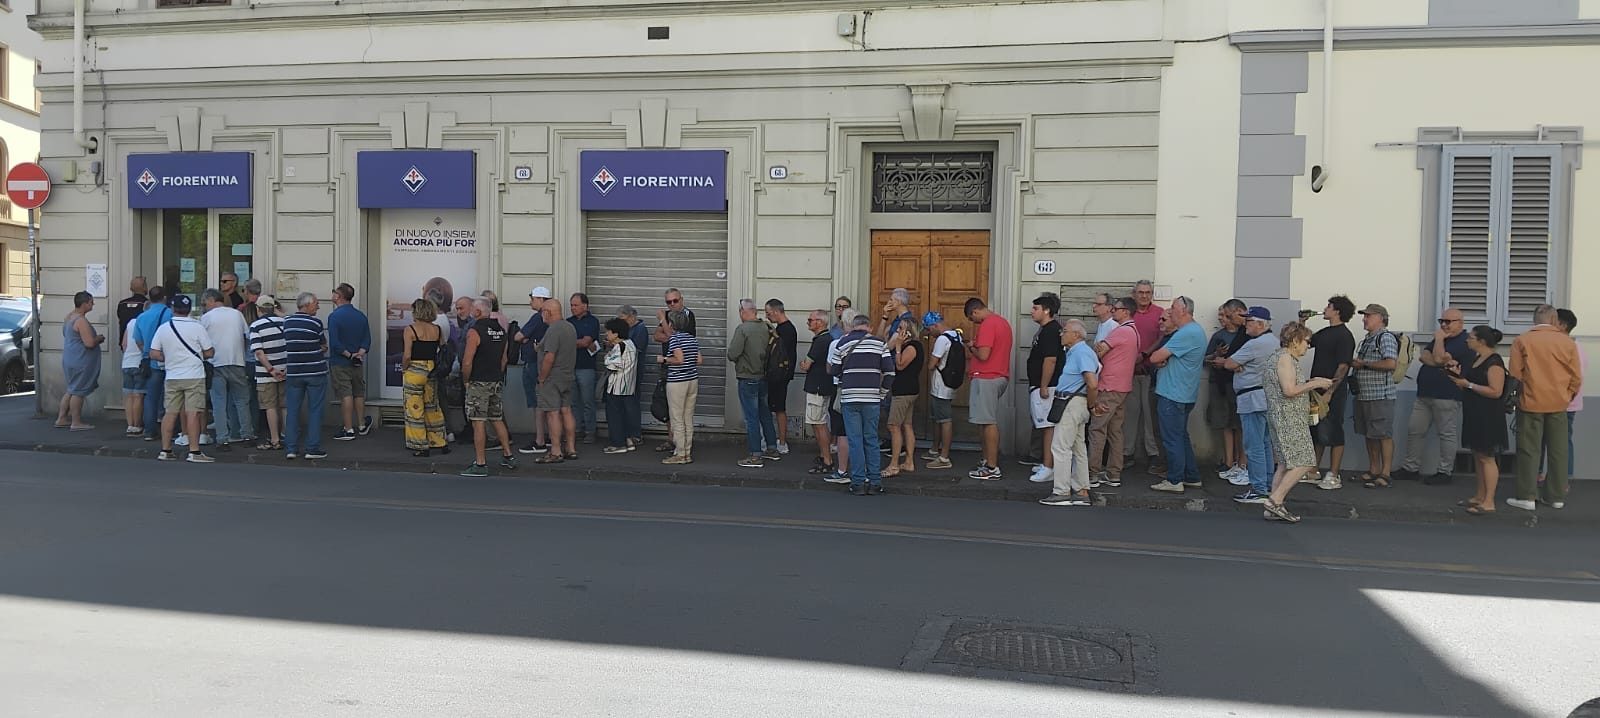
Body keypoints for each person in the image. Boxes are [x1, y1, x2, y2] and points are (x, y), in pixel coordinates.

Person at [1508, 304, 1583, 511]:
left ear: (1535, 320)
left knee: (1529, 450)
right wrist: (1568, 395)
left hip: (1530, 401)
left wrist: (1517, 397)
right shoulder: (1567, 342)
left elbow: (1515, 374)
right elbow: (1576, 376)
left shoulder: (1522, 340)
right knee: (1559, 451)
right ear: (1554, 320)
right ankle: (1556, 496)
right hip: (1559, 402)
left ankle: (1527, 496)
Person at [1259, 321, 1334, 522]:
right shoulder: (1285, 359)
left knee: (1285, 463)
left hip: (1283, 416)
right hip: (1288, 417)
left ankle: (1274, 508)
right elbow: (1289, 390)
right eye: (1306, 341)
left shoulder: (1280, 357)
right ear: (1295, 340)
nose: (1308, 346)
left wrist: (1310, 382)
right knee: (1305, 461)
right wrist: (1315, 384)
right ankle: (1275, 500)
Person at [1397, 307, 1472, 485]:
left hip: (1447, 395)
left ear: (1460, 323)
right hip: (1424, 393)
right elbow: (1424, 356)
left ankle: (1445, 471)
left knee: (1446, 433)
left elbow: (1437, 358)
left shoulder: (1464, 341)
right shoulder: (1443, 338)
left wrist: (1438, 341)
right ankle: (1411, 468)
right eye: (1441, 321)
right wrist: (1439, 361)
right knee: (1415, 430)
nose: (1443, 325)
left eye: (1448, 322)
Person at [829, 312, 895, 495]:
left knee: (855, 441)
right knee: (871, 440)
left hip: (850, 398)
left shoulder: (842, 343)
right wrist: (882, 394)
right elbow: (890, 373)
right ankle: (875, 482)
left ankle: (857, 483)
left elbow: (834, 370)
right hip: (872, 399)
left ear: (852, 326)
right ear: (869, 327)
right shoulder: (880, 343)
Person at [1216, 306, 1277, 504]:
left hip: (1252, 398)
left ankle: (1259, 489)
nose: (1246, 324)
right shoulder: (1274, 341)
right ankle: (1268, 485)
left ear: (1260, 324)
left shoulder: (1255, 344)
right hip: (1267, 397)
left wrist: (1236, 363)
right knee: (1265, 443)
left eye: (1249, 321)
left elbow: (1229, 364)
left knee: (1254, 445)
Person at [1148, 296, 1207, 493]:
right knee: (1180, 436)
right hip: (1183, 393)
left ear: (1183, 310)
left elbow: (1155, 357)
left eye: (1173, 307)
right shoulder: (1194, 331)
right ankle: (1191, 476)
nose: (1169, 310)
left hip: (1173, 393)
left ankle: (1174, 480)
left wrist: (1160, 359)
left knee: (1172, 439)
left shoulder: (1187, 333)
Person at [1039, 319, 1101, 507]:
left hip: (1072, 403)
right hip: (1076, 402)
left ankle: (1061, 491)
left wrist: (1092, 404)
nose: (1061, 334)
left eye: (1064, 331)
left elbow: (1092, 383)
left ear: (1076, 335)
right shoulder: (1078, 352)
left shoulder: (1081, 352)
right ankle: (1081, 491)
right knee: (1077, 448)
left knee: (1060, 447)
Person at [149, 294, 215, 464]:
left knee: (170, 412)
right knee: (193, 413)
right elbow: (209, 352)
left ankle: (165, 450)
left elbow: (153, 353)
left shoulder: (164, 328)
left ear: (172, 309)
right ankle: (194, 451)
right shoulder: (197, 326)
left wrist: (170, 358)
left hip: (172, 375)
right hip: (194, 376)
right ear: (189, 309)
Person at [1448, 325, 1507, 516]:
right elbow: (1469, 386)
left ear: (1481, 341)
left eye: (1471, 337)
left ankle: (1489, 501)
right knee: (1478, 455)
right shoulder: (1477, 359)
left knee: (1487, 457)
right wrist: (1458, 378)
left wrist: (1469, 385)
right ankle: (1480, 496)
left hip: (1488, 414)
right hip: (1474, 411)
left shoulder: (1494, 362)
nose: (1467, 340)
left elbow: (1496, 391)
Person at [459, 298, 517, 477]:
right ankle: (508, 456)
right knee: (496, 418)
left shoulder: (475, 331)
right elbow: (504, 359)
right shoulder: (501, 330)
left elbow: (467, 361)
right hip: (495, 380)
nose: (471, 313)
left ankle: (480, 463)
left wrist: (466, 380)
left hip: (478, 381)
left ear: (477, 312)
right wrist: (497, 374)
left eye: (472, 310)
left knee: (478, 422)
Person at [1307, 295, 1357, 490]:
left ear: (1337, 311)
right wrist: (1302, 322)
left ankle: (1334, 474)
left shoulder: (1344, 336)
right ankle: (1313, 470)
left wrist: (1330, 391)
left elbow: (1343, 366)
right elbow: (1306, 342)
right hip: (1316, 388)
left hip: (1332, 391)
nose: (1325, 308)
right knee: (1316, 429)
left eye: (1329, 306)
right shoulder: (1325, 332)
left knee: (1334, 430)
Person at [1350, 304, 1400, 488]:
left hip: (1380, 395)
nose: (1364, 319)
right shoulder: (1368, 339)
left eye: (1368, 316)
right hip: (1364, 395)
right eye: (1364, 316)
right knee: (1369, 434)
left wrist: (1363, 364)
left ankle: (1385, 473)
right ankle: (1374, 469)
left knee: (1383, 434)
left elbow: (1390, 364)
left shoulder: (1385, 337)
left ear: (1381, 318)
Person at [1090, 298, 1138, 488]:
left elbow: (1099, 351)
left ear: (1125, 312)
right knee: (1115, 431)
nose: (1112, 311)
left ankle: (1092, 473)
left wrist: (1096, 349)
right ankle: (1114, 473)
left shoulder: (1121, 331)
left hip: (1109, 386)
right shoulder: (1133, 331)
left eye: (1116, 309)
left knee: (1097, 429)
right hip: (1123, 387)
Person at [964, 297, 1013, 481]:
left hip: (987, 376)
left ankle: (992, 467)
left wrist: (972, 347)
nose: (973, 322)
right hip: (998, 375)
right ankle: (987, 460)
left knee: (988, 421)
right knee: (984, 421)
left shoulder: (988, 324)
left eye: (972, 318)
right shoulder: (1003, 323)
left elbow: (984, 355)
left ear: (975, 311)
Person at [200, 288, 253, 450]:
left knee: (219, 403)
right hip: (237, 361)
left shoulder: (207, 317)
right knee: (242, 401)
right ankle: (247, 435)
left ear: (211, 300)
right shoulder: (237, 314)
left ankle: (222, 439)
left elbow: (200, 340)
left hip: (215, 363)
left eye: (205, 303)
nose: (204, 306)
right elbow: (247, 336)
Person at [728, 298, 779, 468]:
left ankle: (756, 455)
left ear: (743, 311)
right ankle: (772, 448)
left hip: (747, 376)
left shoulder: (743, 329)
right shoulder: (767, 327)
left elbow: (732, 354)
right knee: (765, 414)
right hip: (764, 377)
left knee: (751, 418)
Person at [1020, 294, 1065, 482]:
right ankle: (1047, 462)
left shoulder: (1050, 331)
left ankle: (1048, 466)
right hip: (1040, 384)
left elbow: (1050, 359)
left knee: (1047, 427)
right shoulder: (1045, 330)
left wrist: (1044, 385)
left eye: (1035, 308)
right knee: (1044, 426)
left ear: (1046, 310)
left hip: (1047, 385)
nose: (1032, 311)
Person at [281, 292, 330, 461]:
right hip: (315, 371)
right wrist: (317, 348)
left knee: (292, 410)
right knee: (315, 410)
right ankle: (312, 448)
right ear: (307, 305)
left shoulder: (287, 322)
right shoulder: (315, 323)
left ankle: (291, 448)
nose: (318, 306)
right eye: (316, 303)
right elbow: (323, 345)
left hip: (294, 372)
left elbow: (288, 343)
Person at [1126, 279, 1166, 473]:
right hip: (1129, 371)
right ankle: (1127, 453)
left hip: (1151, 370)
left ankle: (1153, 455)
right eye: (1140, 292)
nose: (1144, 296)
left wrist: (1145, 355)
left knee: (1151, 416)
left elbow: (1162, 338)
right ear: (1134, 294)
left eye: (1147, 292)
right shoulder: (1128, 312)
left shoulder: (1160, 313)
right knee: (1129, 414)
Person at [1206, 301, 1248, 485]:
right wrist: (1216, 355)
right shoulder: (1219, 336)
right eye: (1220, 316)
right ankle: (1229, 462)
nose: (1222, 319)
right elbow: (1205, 359)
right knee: (1225, 422)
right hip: (1220, 382)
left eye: (1226, 315)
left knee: (1239, 424)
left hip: (1238, 383)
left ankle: (1242, 462)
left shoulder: (1245, 334)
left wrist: (1228, 362)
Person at [401, 298, 449, 457]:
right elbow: (442, 350)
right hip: (431, 370)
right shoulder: (437, 329)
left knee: (414, 408)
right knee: (432, 406)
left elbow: (407, 355)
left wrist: (404, 368)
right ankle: (439, 442)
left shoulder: (410, 329)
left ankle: (420, 444)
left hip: (415, 370)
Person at [1543, 309, 1586, 483]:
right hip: (1557, 401)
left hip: (1565, 403)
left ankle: (1563, 479)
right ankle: (1550, 477)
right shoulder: (1565, 345)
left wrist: (1565, 397)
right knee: (1549, 440)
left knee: (1561, 442)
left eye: (1553, 321)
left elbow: (1575, 378)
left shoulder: (1572, 347)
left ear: (1562, 325)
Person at [535, 297, 579, 463]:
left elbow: (550, 356)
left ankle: (555, 451)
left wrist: (542, 378)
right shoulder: (570, 327)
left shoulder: (554, 329)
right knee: (566, 410)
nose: (542, 315)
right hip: (567, 375)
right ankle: (571, 449)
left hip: (552, 377)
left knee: (552, 413)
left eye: (542, 312)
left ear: (547, 312)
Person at [327, 283, 373, 441]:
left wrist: (349, 355)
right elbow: (367, 340)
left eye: (334, 292)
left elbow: (335, 343)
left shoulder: (334, 316)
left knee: (345, 394)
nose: (332, 294)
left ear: (338, 296)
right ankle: (361, 424)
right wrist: (359, 354)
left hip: (340, 361)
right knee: (358, 392)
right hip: (357, 362)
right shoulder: (361, 316)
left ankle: (348, 429)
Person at [56, 291, 105, 431]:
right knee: (78, 392)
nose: (93, 304)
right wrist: (99, 338)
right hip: (80, 360)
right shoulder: (81, 321)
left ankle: (62, 418)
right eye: (91, 302)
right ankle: (76, 422)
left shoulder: (69, 317)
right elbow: (89, 343)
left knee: (71, 389)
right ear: (84, 304)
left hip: (70, 357)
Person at [248, 295, 289, 452]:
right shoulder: (285, 323)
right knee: (285, 406)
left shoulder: (256, 326)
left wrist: (271, 369)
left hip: (266, 374)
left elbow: (259, 352)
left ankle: (275, 439)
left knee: (270, 406)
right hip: (285, 371)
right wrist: (285, 368)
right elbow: (291, 347)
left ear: (258, 309)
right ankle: (286, 435)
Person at [659, 309, 700, 465]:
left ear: (671, 324)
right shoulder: (692, 339)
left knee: (677, 418)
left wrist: (664, 359)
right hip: (692, 380)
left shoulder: (675, 339)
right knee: (688, 418)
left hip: (677, 381)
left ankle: (680, 454)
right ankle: (687, 452)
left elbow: (679, 359)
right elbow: (699, 360)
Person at [514, 288, 552, 455]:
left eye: (533, 298)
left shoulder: (537, 317)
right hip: (544, 364)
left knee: (537, 403)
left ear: (541, 299)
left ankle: (540, 440)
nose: (530, 301)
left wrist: (524, 337)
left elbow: (518, 336)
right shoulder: (550, 319)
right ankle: (550, 437)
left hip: (533, 363)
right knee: (547, 403)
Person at [800, 309, 837, 475]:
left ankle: (827, 460)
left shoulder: (821, 341)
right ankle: (824, 456)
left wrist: (804, 364)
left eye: (810, 320)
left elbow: (806, 364)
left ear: (820, 322)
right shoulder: (829, 339)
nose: (808, 322)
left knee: (819, 423)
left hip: (817, 388)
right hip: (824, 386)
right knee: (820, 422)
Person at [885, 319, 924, 477]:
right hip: (908, 389)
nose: (897, 330)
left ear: (909, 331)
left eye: (900, 328)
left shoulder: (912, 347)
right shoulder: (914, 346)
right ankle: (909, 462)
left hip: (904, 391)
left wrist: (898, 346)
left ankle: (894, 465)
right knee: (906, 425)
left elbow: (900, 365)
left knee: (893, 425)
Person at [132, 286, 172, 441]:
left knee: (151, 398)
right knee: (173, 398)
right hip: (169, 360)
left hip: (151, 361)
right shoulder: (170, 314)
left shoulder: (142, 317)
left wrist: (147, 353)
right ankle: (172, 431)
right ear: (164, 298)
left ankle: (149, 431)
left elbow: (138, 341)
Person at [922, 312, 959, 470]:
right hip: (950, 383)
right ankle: (934, 450)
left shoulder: (942, 339)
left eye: (929, 329)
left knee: (944, 419)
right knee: (938, 417)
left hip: (941, 386)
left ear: (936, 325)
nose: (929, 334)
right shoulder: (956, 336)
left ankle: (944, 457)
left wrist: (932, 362)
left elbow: (931, 364)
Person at [601, 317, 640, 455]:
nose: (606, 334)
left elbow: (611, 364)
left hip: (616, 387)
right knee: (625, 415)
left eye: (608, 331)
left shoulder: (620, 347)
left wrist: (607, 356)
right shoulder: (630, 344)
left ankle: (618, 444)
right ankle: (628, 440)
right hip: (628, 387)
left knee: (614, 417)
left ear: (616, 333)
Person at [765, 299, 798, 455]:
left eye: (768, 313)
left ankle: (782, 442)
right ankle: (778, 440)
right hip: (781, 373)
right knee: (777, 406)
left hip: (779, 374)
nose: (767, 316)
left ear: (776, 311)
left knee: (778, 407)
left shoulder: (786, 330)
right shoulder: (784, 328)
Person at [568, 292, 601, 444]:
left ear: (585, 306)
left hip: (586, 367)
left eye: (575, 305)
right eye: (571, 305)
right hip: (570, 366)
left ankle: (590, 431)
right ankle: (576, 430)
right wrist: (578, 342)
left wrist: (570, 342)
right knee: (573, 402)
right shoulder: (568, 322)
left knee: (588, 401)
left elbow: (586, 342)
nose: (572, 308)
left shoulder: (592, 322)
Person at [619, 304, 650, 449]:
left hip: (634, 370)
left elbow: (635, 349)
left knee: (632, 402)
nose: (621, 322)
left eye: (623, 318)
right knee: (625, 403)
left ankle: (635, 434)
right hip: (623, 371)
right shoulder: (627, 329)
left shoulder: (640, 329)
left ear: (631, 316)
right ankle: (626, 432)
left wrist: (618, 345)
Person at [119, 311, 146, 436]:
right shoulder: (145, 322)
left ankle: (130, 425)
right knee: (138, 396)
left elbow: (124, 344)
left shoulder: (130, 322)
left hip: (127, 362)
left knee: (129, 396)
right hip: (138, 362)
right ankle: (137, 425)